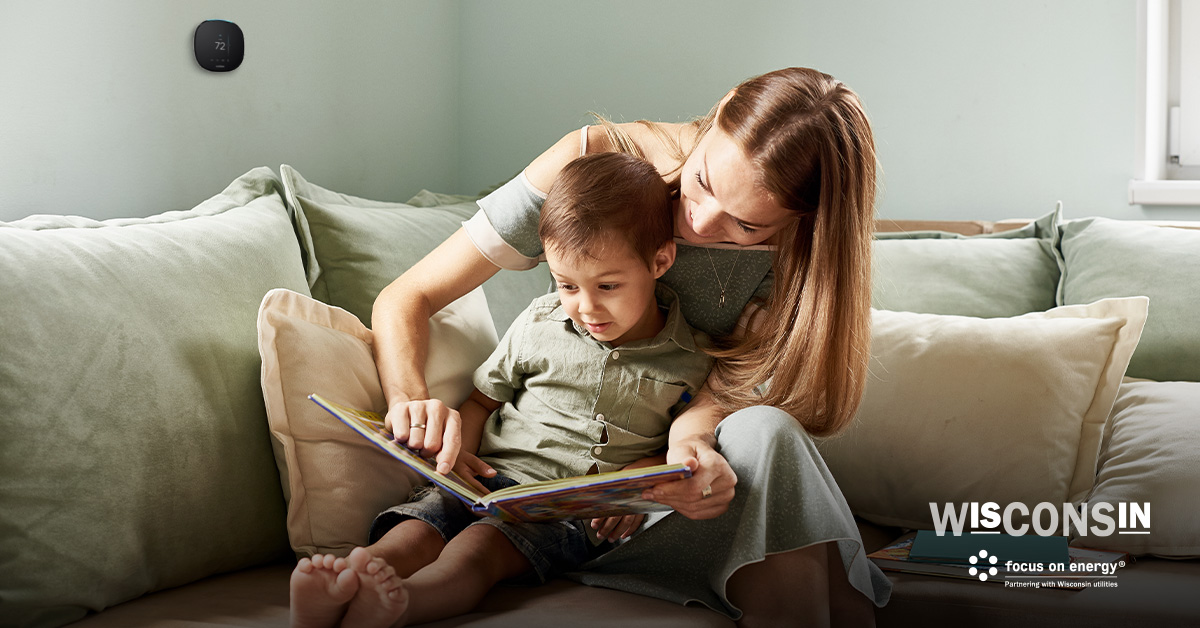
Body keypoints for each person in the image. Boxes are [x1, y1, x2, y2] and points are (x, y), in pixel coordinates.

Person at [318, 66, 889, 627]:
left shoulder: (801, 249)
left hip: (661, 495)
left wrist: (663, 465)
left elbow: (725, 391)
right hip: (565, 509)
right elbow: (407, 296)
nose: (697, 221)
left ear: (800, 222)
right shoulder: (588, 166)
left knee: (766, 430)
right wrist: (409, 399)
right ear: (722, 110)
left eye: (745, 226)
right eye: (705, 181)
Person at [290, 152, 715, 627]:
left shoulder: (692, 358)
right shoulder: (540, 322)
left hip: (564, 509)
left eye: (609, 286)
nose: (586, 307)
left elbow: (681, 441)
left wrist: (642, 479)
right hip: (488, 479)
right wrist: (456, 464)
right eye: (567, 285)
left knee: (481, 547)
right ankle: (346, 582)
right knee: (417, 527)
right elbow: (480, 400)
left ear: (660, 260)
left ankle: (401, 603)